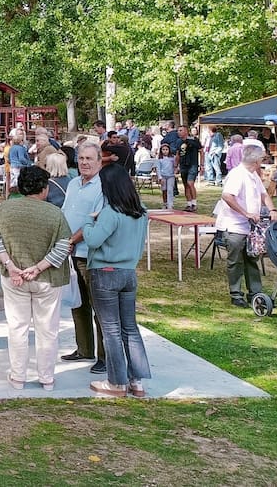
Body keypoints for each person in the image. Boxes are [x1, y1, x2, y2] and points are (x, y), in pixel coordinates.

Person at [0, 166, 72, 391]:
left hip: (14, 277)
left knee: (17, 327)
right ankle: (46, 378)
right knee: (48, 330)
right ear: (44, 189)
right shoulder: (55, 213)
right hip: (47, 278)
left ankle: (17, 377)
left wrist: (11, 265)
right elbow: (64, 245)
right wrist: (38, 267)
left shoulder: (4, 209)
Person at [81, 163, 151, 398]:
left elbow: (92, 240)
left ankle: (116, 382)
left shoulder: (110, 212)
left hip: (106, 273)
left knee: (110, 330)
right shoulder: (141, 210)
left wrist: (89, 221)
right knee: (129, 328)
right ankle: (137, 381)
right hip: (129, 272)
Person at [60, 143, 107, 374]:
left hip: (90, 253)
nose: (84, 163)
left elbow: (95, 220)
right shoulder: (73, 183)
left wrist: (72, 240)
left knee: (99, 306)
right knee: (78, 303)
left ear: (100, 161)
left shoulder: (103, 187)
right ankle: (84, 348)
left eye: (89, 158)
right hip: (71, 254)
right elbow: (65, 213)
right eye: (81, 158)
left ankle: (104, 356)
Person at [215, 145, 277, 307]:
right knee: (235, 261)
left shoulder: (253, 175)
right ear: (257, 160)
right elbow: (227, 196)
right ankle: (236, 294)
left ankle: (255, 293)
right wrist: (246, 213)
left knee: (252, 257)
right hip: (234, 225)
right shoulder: (237, 175)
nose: (263, 160)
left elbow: (264, 194)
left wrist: (272, 209)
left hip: (250, 226)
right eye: (262, 158)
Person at [176, 126, 202, 211]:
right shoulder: (178, 141)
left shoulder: (194, 140)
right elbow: (178, 154)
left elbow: (201, 151)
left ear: (186, 131)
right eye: (178, 131)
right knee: (186, 185)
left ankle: (194, 203)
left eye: (180, 130)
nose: (179, 132)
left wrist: (202, 164)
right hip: (183, 165)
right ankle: (189, 204)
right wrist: (176, 166)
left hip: (192, 164)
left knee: (190, 183)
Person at [157, 144, 177, 210]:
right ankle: (165, 203)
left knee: (170, 190)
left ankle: (170, 204)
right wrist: (160, 177)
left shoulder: (172, 158)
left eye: (166, 150)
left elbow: (175, 165)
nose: (165, 151)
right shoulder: (160, 159)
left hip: (171, 176)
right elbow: (158, 168)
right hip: (163, 176)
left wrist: (175, 171)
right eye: (163, 150)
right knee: (164, 190)